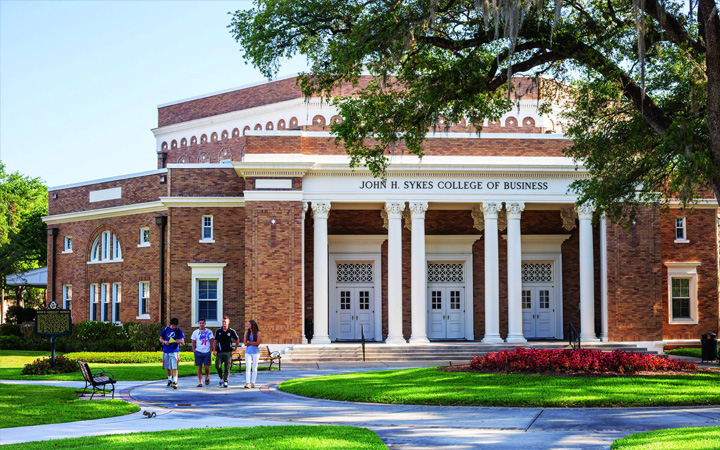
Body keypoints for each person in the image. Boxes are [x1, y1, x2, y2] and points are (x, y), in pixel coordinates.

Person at [213, 316, 239, 388]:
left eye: (225, 322)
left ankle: (225, 381)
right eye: (223, 321)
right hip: (220, 352)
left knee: (227, 367)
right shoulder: (218, 331)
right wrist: (214, 350)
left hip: (228, 352)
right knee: (217, 366)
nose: (224, 323)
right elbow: (215, 341)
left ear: (228, 322)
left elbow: (237, 339)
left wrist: (236, 347)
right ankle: (222, 377)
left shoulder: (231, 331)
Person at [159, 318, 185, 389]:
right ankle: (169, 380)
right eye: (172, 325)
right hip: (166, 351)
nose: (174, 327)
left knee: (175, 367)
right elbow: (160, 339)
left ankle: (175, 381)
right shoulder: (165, 330)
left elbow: (183, 341)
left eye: (175, 325)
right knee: (167, 366)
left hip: (174, 351)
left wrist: (178, 341)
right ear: (170, 324)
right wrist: (164, 342)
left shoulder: (178, 331)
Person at [191, 318, 215, 387]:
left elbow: (211, 341)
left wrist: (210, 350)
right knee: (199, 367)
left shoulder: (209, 331)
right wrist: (194, 350)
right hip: (198, 351)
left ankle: (207, 376)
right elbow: (193, 342)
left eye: (203, 323)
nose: (201, 324)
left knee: (206, 367)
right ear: (198, 324)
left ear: (205, 324)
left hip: (206, 351)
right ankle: (200, 382)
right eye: (200, 323)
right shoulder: (195, 332)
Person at [244, 320, 262, 389]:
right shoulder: (247, 333)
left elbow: (257, 343)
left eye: (249, 324)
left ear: (252, 325)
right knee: (248, 367)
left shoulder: (258, 333)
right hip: (248, 352)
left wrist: (250, 342)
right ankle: (248, 382)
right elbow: (245, 343)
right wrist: (252, 342)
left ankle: (253, 382)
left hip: (256, 352)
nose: (248, 326)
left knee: (254, 368)